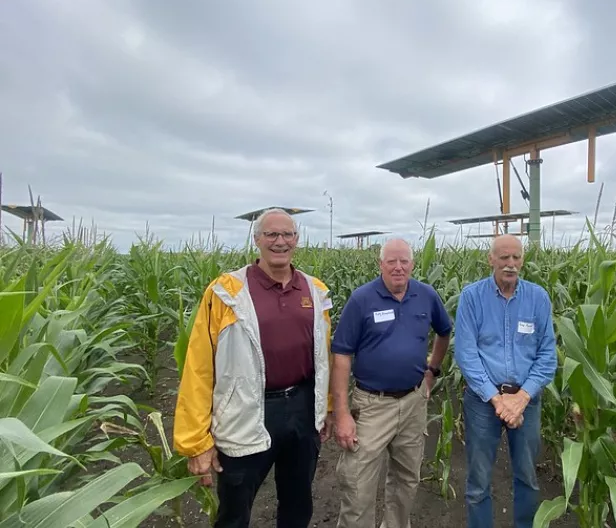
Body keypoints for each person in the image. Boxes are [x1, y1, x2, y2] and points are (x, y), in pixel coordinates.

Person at [173, 207, 334, 528]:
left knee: (298, 501)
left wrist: (326, 406)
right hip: (245, 411)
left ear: (297, 240)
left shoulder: (314, 290)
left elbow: (323, 355)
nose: (280, 241)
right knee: (235, 508)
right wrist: (196, 440)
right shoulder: (226, 292)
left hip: (302, 409)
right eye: (271, 234)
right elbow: (199, 366)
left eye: (287, 234)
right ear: (257, 239)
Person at [330, 237, 452, 528]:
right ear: (380, 264)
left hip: (413, 402)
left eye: (404, 261)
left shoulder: (426, 295)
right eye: (391, 261)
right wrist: (342, 413)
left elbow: (444, 332)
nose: (398, 267)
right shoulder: (362, 299)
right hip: (372, 404)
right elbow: (342, 356)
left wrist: (432, 370)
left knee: (406, 480)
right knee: (358, 483)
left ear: (412, 263)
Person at [453, 234, 558, 528]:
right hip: (483, 403)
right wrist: (498, 400)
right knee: (478, 481)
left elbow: (547, 355)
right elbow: (466, 354)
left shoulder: (537, 297)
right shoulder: (472, 297)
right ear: (491, 259)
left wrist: (521, 398)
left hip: (527, 401)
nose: (510, 264)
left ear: (522, 260)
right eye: (504, 258)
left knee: (527, 477)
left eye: (516, 258)